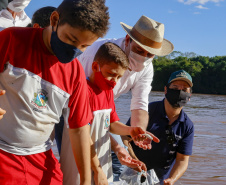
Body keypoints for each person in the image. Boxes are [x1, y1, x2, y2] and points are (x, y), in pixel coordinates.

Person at [0, 0, 109, 184]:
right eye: (71, 39)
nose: (75, 50)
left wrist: (86, 177)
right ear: (55, 19)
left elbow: (79, 129)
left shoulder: (75, 73)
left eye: (84, 46)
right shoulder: (10, 39)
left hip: (40, 156)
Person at [60, 42, 153, 185]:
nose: (114, 82)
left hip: (102, 165)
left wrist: (131, 130)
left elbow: (112, 124)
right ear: (95, 66)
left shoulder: (108, 92)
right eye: (111, 74)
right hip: (79, 165)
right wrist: (97, 170)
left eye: (119, 77)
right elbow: (84, 136)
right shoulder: (83, 92)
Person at [125, 70, 195, 185]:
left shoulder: (187, 125)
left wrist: (172, 179)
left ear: (189, 95)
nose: (179, 92)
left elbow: (182, 160)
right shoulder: (147, 111)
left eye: (184, 89)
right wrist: (133, 160)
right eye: (175, 87)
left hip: (160, 181)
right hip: (131, 175)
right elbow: (125, 137)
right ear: (166, 90)